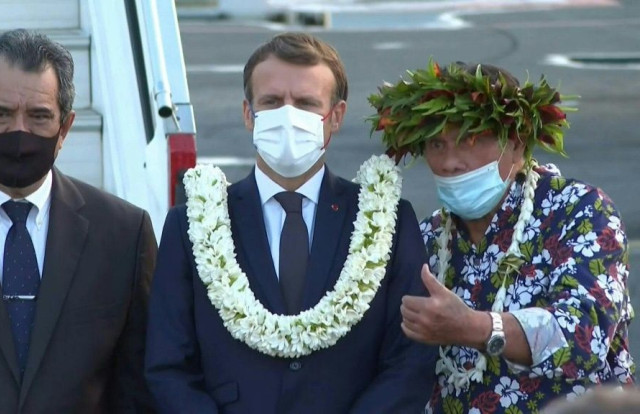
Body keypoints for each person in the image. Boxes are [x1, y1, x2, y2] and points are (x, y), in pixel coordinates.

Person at [145, 32, 437, 413]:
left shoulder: (389, 220)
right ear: (248, 114)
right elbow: (168, 366)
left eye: (305, 103)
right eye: (271, 102)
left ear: (336, 116)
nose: (287, 116)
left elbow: (409, 361)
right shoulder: (191, 225)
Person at [0, 29, 156, 412]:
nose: (20, 132)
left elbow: (139, 387)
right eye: (1, 115)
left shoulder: (123, 235)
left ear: (65, 129)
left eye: (39, 117)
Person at [368, 60, 635, 413]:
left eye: (468, 141)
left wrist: (475, 327)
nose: (450, 162)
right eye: (436, 145)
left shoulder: (579, 210)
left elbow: (584, 336)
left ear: (518, 144)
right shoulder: (428, 236)